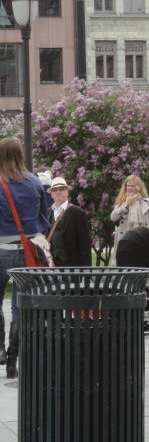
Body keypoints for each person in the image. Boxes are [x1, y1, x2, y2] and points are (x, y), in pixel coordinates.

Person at [0, 137, 49, 378]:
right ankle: (13, 360)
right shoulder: (34, 182)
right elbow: (44, 218)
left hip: (1, 248)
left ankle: (0, 349)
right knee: (19, 306)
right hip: (27, 249)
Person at [110, 175, 149, 262]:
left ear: (138, 187)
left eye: (133, 186)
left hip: (142, 241)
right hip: (125, 241)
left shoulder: (147, 203)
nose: (129, 188)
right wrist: (126, 204)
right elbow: (113, 218)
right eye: (128, 186)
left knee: (141, 265)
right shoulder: (121, 202)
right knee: (125, 266)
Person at [46, 177, 90, 267]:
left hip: (72, 266)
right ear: (51, 194)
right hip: (51, 265)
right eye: (55, 190)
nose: (58, 192)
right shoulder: (47, 213)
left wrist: (86, 270)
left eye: (61, 189)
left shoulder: (78, 213)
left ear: (67, 192)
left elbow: (84, 245)